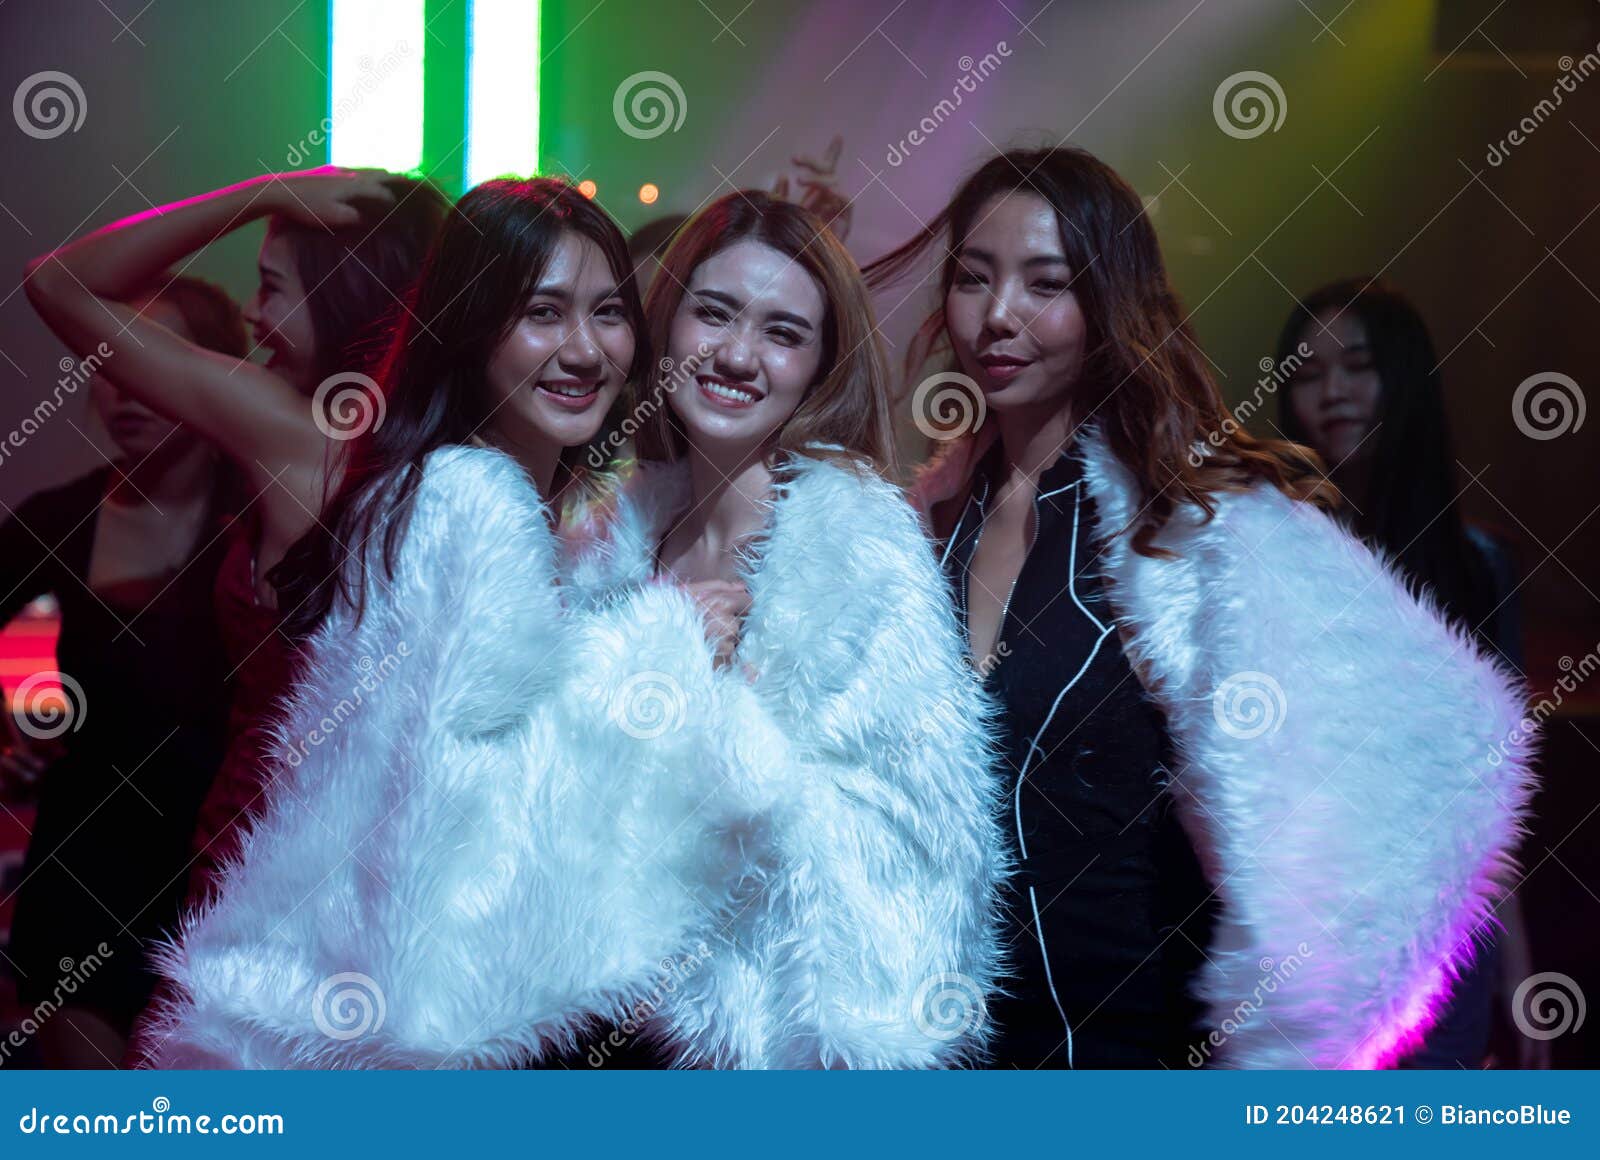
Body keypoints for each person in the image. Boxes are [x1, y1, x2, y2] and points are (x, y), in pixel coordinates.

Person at [865, 145, 1537, 1068]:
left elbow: (1442, 744)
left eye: (1046, 283)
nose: (1000, 316)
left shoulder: (1199, 527)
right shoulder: (927, 521)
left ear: (1109, 304)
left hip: (1143, 1049)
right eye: (974, 280)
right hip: (953, 1047)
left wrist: (1311, 1013)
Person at [134, 178, 756, 1070]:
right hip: (392, 1023)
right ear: (472, 328)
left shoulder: (492, 495)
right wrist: (659, 642)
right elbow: (469, 778)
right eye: (543, 312)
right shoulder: (472, 495)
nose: (584, 349)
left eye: (609, 312)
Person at [563, 189, 1007, 1067]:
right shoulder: (614, 535)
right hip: (590, 1015)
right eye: (714, 313)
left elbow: (922, 841)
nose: (736, 355)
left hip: (757, 1045)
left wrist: (721, 723)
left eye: (782, 333)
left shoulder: (858, 543)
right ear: (667, 324)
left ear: (820, 365)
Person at [23, 166, 448, 904]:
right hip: (386, 869)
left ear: (341, 292)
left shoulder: (293, 432)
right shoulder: (451, 447)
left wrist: (260, 192)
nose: (252, 313)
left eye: (273, 287)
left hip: (262, 851)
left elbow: (59, 283)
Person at [1276, 276, 1540, 1068]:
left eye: (1356, 365)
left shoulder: (1478, 569)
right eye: (1305, 374)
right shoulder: (1272, 560)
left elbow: (1489, 803)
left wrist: (1519, 978)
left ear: (1404, 375)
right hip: (1308, 955)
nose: (1332, 392)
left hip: (1443, 953)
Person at [0, 278, 245, 1067]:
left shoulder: (263, 521)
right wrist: (12, 727)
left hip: (230, 883)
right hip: (85, 878)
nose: (123, 384)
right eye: (104, 361)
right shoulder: (51, 521)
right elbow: (15, 666)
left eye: (148, 359)